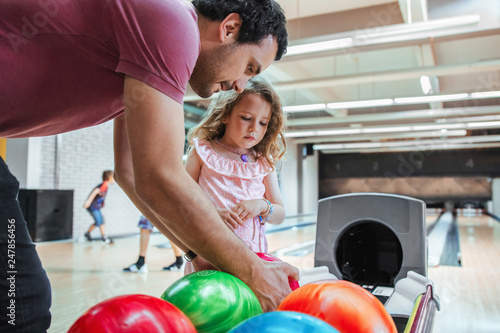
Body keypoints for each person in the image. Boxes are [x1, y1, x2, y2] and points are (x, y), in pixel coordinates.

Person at [0, 0, 297, 330]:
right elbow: (161, 175)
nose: (241, 84)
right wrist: (253, 270)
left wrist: (198, 254)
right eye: (250, 67)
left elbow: (130, 173)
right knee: (20, 302)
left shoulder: (146, 54)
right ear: (229, 28)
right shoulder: (174, 25)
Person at [184, 77, 287, 274]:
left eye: (263, 122)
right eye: (246, 118)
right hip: (208, 257)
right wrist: (210, 215)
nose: (254, 128)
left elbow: (280, 213)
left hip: (252, 260)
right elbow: (182, 202)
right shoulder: (202, 152)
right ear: (225, 114)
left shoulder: (264, 162)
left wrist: (262, 205)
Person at [83, 170, 115, 244]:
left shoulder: (106, 186)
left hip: (97, 207)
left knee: (101, 221)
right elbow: (96, 191)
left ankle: (103, 237)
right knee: (98, 222)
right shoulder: (103, 186)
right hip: (93, 207)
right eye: (113, 178)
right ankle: (88, 233)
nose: (114, 180)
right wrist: (88, 201)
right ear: (109, 178)